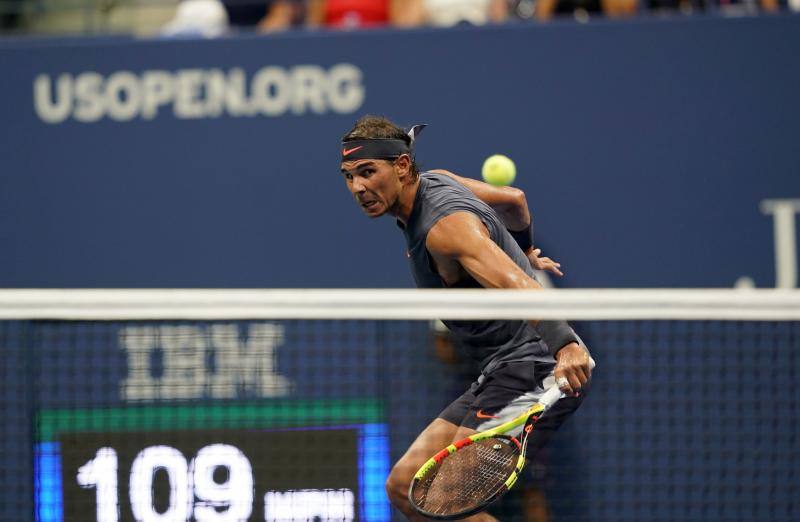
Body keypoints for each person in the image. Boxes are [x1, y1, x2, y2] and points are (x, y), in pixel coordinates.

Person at [339, 114, 594, 521]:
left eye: (368, 172)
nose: (358, 188)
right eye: (349, 176)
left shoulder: (444, 228)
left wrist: (566, 344)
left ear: (402, 166)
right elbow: (515, 200)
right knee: (404, 488)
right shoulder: (437, 179)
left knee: (444, 495)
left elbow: (517, 286)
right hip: (499, 372)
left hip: (537, 369)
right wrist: (524, 250)